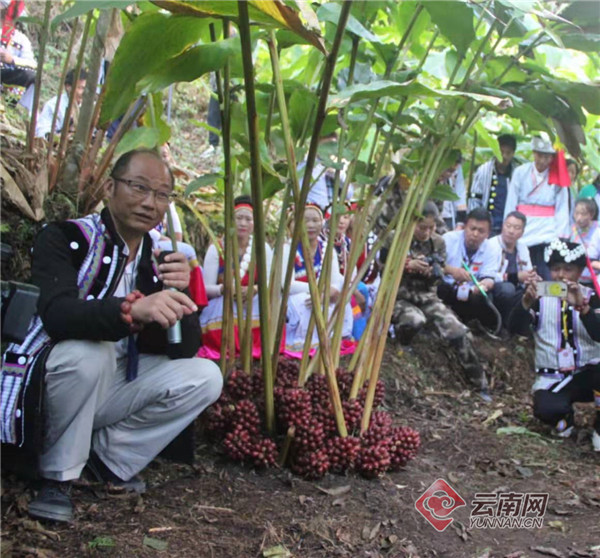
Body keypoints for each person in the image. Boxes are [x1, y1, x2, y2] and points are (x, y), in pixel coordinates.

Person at [0, 149, 223, 522]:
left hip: (111, 387)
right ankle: (58, 477)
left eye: (162, 194)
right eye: (139, 187)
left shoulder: (160, 258)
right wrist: (129, 310)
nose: (150, 203)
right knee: (94, 354)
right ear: (109, 187)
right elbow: (57, 315)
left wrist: (180, 294)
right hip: (51, 387)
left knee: (205, 377)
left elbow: (184, 348)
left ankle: (105, 460)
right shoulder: (65, 238)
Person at [507, 239, 600, 452]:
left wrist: (583, 309)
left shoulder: (592, 297)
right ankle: (565, 422)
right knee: (546, 410)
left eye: (569, 269)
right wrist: (525, 302)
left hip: (590, 373)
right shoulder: (539, 297)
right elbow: (515, 329)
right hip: (554, 377)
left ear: (580, 271)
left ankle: (599, 428)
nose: (562, 276)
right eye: (556, 269)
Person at [391, 202, 490, 398]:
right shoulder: (398, 239)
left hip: (427, 297)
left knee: (459, 332)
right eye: (422, 227)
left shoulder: (437, 242)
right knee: (414, 320)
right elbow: (383, 266)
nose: (426, 232)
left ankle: (481, 385)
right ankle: (402, 341)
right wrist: (408, 265)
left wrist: (431, 271)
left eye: (431, 227)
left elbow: (439, 274)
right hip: (398, 298)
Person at [200, 196, 273, 359]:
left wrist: (254, 289)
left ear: (255, 223)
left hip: (251, 301)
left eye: (248, 219)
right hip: (224, 301)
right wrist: (224, 289)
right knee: (223, 307)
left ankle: (258, 347)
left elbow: (270, 283)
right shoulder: (217, 248)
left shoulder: (262, 247)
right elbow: (205, 288)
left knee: (266, 304)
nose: (243, 223)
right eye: (239, 218)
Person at [282, 203, 352, 356]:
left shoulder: (326, 248)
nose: (311, 225)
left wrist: (329, 291)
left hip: (323, 297)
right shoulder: (287, 249)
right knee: (303, 301)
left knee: (342, 296)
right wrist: (316, 292)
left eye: (315, 220)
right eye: (306, 220)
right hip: (295, 299)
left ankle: (330, 337)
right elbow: (286, 285)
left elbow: (335, 280)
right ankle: (300, 342)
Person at [504, 136, 570, 280]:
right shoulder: (521, 172)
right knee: (524, 271)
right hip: (523, 228)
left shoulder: (557, 176)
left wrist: (561, 235)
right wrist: (509, 226)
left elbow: (562, 207)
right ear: (534, 153)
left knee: (546, 273)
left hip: (547, 230)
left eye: (547, 157)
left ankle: (548, 302)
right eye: (540, 155)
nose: (543, 160)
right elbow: (511, 201)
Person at [438, 208, 499, 332]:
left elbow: (489, 278)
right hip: (447, 287)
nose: (475, 234)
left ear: (488, 234)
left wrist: (483, 285)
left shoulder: (492, 248)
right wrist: (452, 271)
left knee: (485, 297)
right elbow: (435, 265)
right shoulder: (448, 239)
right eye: (472, 229)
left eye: (481, 231)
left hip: (471, 292)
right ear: (465, 227)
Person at [488, 211, 539, 327]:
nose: (511, 231)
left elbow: (528, 271)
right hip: (497, 288)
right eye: (508, 226)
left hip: (519, 289)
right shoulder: (491, 245)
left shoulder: (523, 248)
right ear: (502, 226)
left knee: (543, 289)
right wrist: (515, 277)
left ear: (522, 232)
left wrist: (531, 278)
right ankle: (503, 325)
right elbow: (487, 275)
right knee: (508, 289)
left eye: (516, 228)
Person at [468, 134, 518, 236]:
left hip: (509, 227)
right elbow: (474, 199)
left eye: (508, 153)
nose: (504, 156)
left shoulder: (517, 173)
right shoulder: (483, 170)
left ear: (513, 153)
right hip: (486, 225)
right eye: (501, 152)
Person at [0, 0, 36, 113]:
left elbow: (33, 64)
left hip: (8, 75)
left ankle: (22, 110)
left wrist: (12, 60)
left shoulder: (21, 39)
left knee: (32, 76)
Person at [35, 68, 88, 139]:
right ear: (68, 87)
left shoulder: (88, 107)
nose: (83, 92)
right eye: (80, 88)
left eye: (85, 88)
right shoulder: (54, 105)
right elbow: (42, 132)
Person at [569, 198, 600, 287]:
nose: (579, 218)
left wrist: (592, 264)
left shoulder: (598, 231)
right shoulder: (571, 230)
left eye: (583, 214)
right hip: (575, 280)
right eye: (576, 213)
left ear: (591, 215)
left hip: (595, 281)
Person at [440, 151, 467, 232]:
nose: (450, 175)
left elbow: (460, 194)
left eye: (453, 171)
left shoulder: (457, 171)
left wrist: (460, 223)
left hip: (449, 216)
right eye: (449, 170)